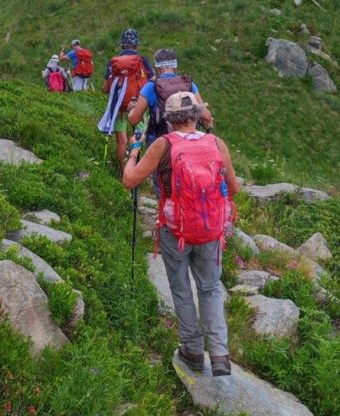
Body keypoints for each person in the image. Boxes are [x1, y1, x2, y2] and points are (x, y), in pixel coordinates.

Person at [122, 90, 239, 377]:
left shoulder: (163, 144)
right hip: (211, 230)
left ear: (168, 118)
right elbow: (234, 189)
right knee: (210, 288)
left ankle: (193, 351)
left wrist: (134, 152)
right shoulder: (216, 143)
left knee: (182, 288)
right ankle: (220, 355)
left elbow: (129, 180)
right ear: (197, 116)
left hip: (176, 230)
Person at [128, 48, 213, 144]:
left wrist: (132, 109)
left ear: (157, 68)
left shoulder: (151, 87)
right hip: (186, 142)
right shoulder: (188, 84)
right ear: (175, 67)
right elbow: (206, 116)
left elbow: (134, 119)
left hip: (159, 144)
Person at [99, 29, 154, 166]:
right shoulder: (143, 61)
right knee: (139, 136)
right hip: (138, 105)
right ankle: (138, 169)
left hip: (119, 107)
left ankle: (123, 169)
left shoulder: (113, 63)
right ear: (136, 45)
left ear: (122, 45)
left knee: (121, 140)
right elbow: (152, 82)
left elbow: (105, 89)